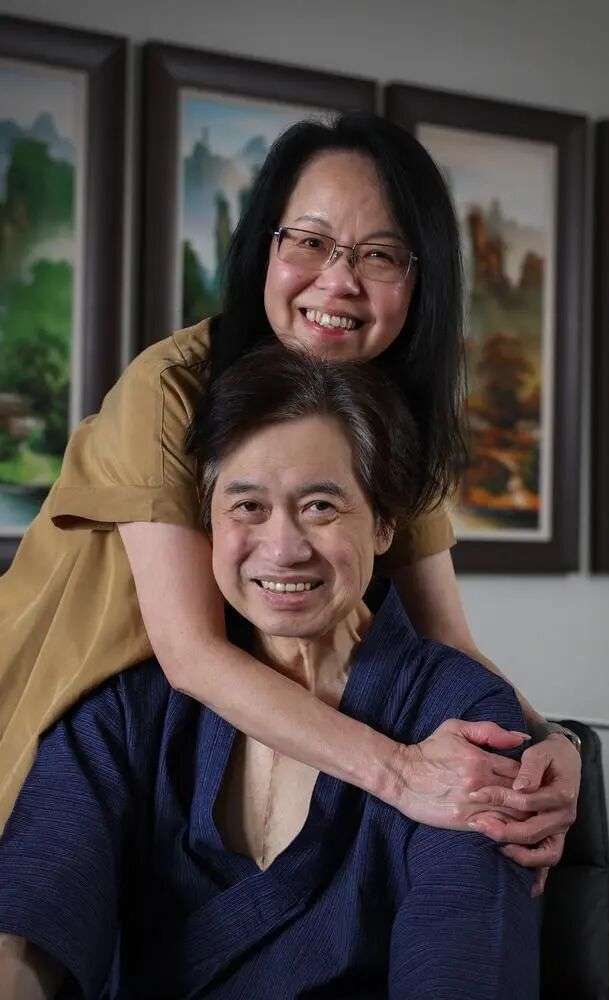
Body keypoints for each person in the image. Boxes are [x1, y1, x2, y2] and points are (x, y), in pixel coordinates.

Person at [0, 114, 579, 883]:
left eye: (379, 255)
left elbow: (451, 643)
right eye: (307, 242)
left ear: (422, 279)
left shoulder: (389, 416)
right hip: (68, 719)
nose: (337, 282)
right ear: (263, 251)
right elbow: (192, 656)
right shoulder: (171, 387)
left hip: (201, 747)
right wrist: (404, 775)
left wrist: (558, 749)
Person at [0, 347, 540, 999]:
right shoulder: (127, 705)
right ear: (207, 523)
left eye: (319, 507)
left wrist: (554, 741)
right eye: (248, 507)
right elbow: (32, 914)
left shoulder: (463, 716)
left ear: (385, 525)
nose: (282, 548)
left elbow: (461, 964)